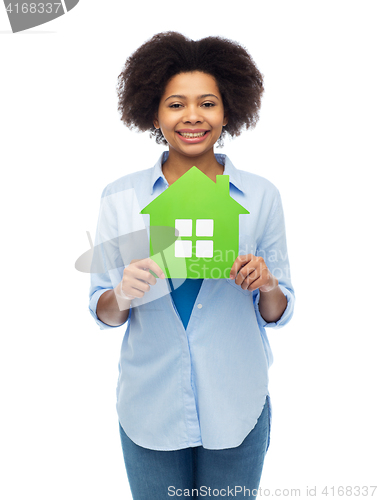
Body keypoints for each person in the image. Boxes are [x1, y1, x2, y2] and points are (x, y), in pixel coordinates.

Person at [89, 31, 295, 499]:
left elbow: (280, 310)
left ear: (228, 112)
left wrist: (266, 284)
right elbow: (102, 310)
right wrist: (122, 291)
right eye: (175, 104)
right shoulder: (120, 198)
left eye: (208, 103)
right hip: (150, 405)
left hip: (237, 402)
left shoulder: (261, 196)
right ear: (154, 114)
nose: (193, 117)